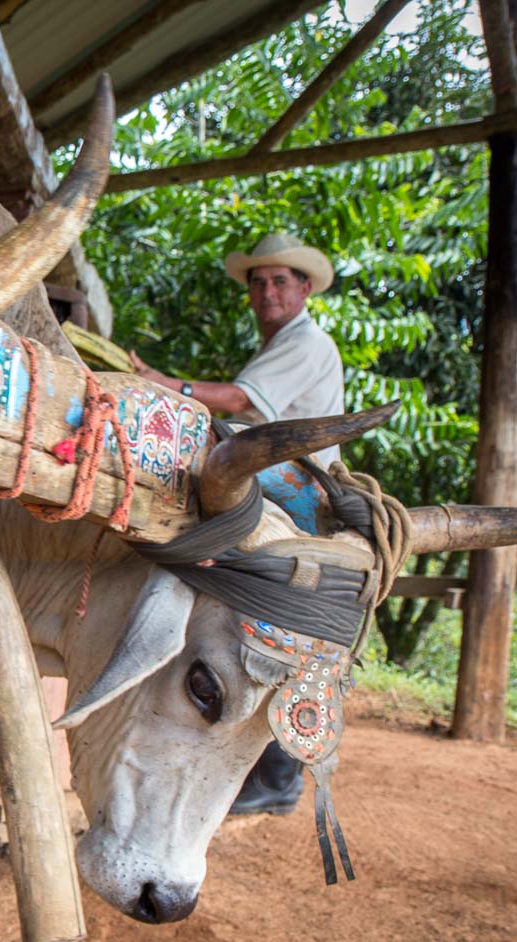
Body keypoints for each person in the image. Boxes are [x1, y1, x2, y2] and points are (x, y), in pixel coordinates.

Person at [128, 232, 344, 815]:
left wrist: (167, 387)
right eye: (259, 282)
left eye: (279, 281)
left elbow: (236, 401)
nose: (268, 291)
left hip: (298, 504)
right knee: (264, 634)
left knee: (270, 633)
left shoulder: (307, 343)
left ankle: (276, 780)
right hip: (283, 498)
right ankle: (270, 777)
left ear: (303, 289)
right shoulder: (283, 344)